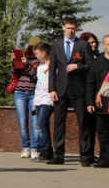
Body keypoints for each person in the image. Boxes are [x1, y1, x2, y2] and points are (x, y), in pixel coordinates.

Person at [48, 16, 94, 166]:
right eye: (68, 28)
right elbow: (52, 69)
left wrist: (77, 66)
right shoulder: (56, 45)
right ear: (63, 28)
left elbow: (90, 65)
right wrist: (52, 89)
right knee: (59, 123)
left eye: (73, 28)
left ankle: (85, 156)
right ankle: (58, 155)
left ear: (76, 28)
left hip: (78, 89)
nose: (70, 30)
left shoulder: (82, 45)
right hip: (60, 89)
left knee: (83, 123)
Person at [11, 39, 39, 158]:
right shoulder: (23, 57)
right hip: (20, 93)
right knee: (22, 122)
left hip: (34, 93)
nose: (33, 49)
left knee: (35, 123)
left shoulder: (39, 60)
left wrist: (27, 64)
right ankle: (25, 148)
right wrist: (15, 63)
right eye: (32, 46)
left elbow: (36, 76)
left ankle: (34, 148)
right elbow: (13, 74)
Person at [86, 35, 109, 168]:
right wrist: (89, 102)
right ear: (103, 45)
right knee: (103, 132)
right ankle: (105, 159)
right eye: (108, 44)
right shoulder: (97, 62)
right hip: (102, 103)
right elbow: (90, 84)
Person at [32, 42, 54, 162]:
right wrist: (35, 102)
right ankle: (45, 151)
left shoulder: (52, 67)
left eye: (37, 53)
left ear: (44, 53)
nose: (36, 56)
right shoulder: (40, 67)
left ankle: (45, 152)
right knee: (40, 125)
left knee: (42, 124)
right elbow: (38, 84)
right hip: (39, 98)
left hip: (48, 99)